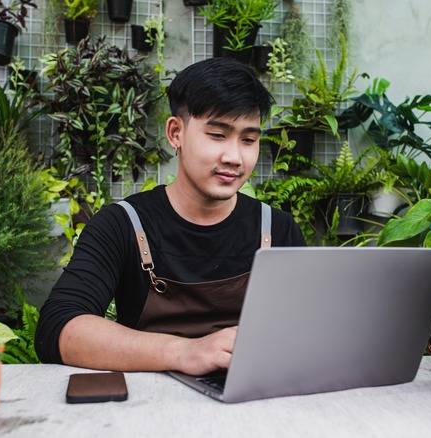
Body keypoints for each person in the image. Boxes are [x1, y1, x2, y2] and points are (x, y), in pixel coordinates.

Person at [35, 57, 306, 375]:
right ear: (176, 133)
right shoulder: (122, 224)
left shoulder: (277, 229)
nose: (234, 157)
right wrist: (185, 352)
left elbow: (307, 333)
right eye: (218, 135)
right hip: (149, 405)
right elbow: (58, 328)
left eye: (248, 139)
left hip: (249, 402)